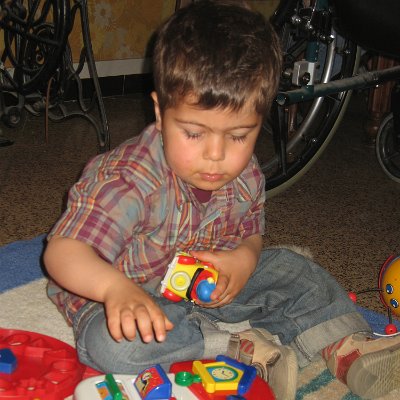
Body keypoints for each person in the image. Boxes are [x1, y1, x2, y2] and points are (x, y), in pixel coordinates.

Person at [44, 1, 400, 399]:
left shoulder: (246, 174)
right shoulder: (128, 179)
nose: (216, 155)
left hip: (212, 286)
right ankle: (231, 347)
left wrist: (244, 259)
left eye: (238, 136)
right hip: (131, 294)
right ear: (159, 113)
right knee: (112, 346)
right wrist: (115, 290)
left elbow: (251, 232)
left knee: (293, 268)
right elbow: (63, 252)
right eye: (194, 133)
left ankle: (347, 347)